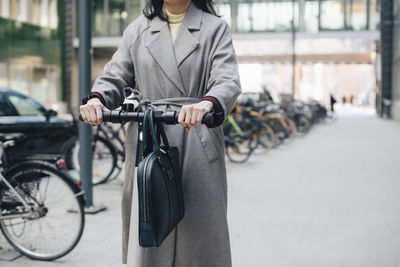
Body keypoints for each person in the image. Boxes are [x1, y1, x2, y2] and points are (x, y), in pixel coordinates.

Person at [79, 0, 241, 266]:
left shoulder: (215, 29)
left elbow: (227, 79)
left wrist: (206, 103)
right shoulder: (137, 30)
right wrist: (97, 99)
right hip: (149, 139)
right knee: (150, 227)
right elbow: (115, 76)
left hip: (195, 136)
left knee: (198, 231)